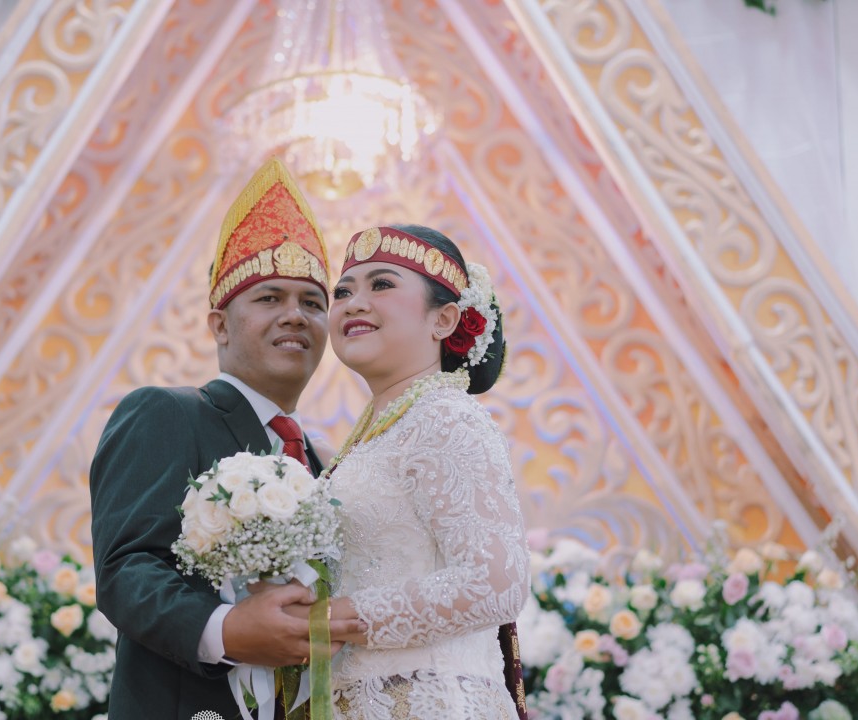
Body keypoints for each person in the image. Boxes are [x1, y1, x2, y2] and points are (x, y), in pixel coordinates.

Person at [88, 158, 363, 719]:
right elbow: (127, 568)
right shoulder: (168, 413)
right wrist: (227, 629)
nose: (295, 315)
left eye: (312, 303)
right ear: (219, 325)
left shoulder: (322, 461)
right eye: (270, 298)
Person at [321, 224, 531, 719]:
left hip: (432, 701)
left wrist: (337, 618)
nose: (353, 303)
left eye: (381, 284)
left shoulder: (445, 417)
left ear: (444, 319)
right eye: (343, 292)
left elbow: (496, 582)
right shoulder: (379, 430)